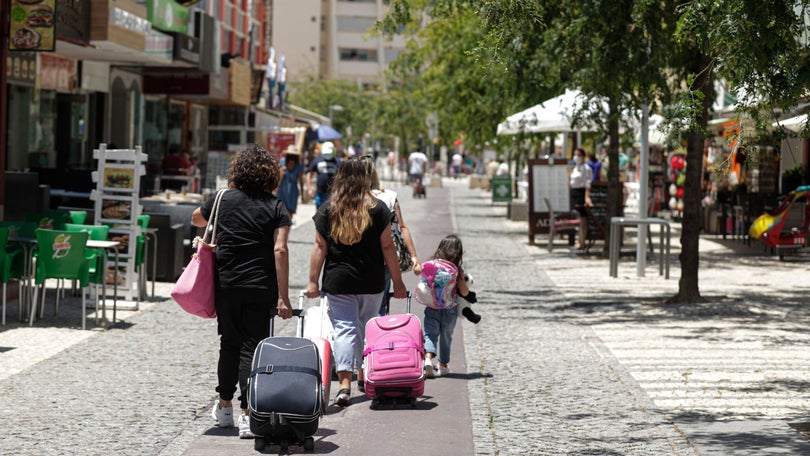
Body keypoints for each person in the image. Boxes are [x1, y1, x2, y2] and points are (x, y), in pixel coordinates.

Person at [191, 143, 293, 439]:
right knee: (253, 348)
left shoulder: (223, 199)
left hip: (228, 283)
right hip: (261, 286)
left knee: (229, 344)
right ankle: (249, 415)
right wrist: (283, 296)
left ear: (237, 171)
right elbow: (280, 249)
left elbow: (196, 218)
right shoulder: (276, 206)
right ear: (269, 175)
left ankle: (224, 407)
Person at [305, 157, 408, 407]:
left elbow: (320, 247)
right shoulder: (378, 209)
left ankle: (344, 383)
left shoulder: (329, 209)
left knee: (345, 330)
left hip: (339, 281)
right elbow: (387, 247)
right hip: (371, 281)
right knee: (366, 328)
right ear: (365, 179)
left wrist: (312, 282)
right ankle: (364, 373)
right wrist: (398, 282)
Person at [359, 154, 422, 316]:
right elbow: (402, 227)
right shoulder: (389, 196)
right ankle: (377, 335)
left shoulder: (352, 197)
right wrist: (414, 257)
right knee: (380, 302)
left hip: (357, 256)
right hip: (384, 257)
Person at [422, 234, 477, 379]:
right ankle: (443, 365)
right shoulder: (457, 270)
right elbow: (464, 292)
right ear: (459, 254)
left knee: (430, 334)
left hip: (432, 307)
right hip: (449, 309)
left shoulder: (431, 264)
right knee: (446, 337)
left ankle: (428, 358)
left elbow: (424, 283)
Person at [570, 147, 593, 250]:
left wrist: (586, 197)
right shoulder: (575, 168)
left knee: (582, 219)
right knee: (576, 219)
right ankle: (577, 240)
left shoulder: (586, 168)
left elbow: (587, 184)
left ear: (583, 156)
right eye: (575, 155)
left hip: (581, 193)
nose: (576, 157)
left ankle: (581, 240)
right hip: (573, 193)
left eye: (578, 155)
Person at [306, 141, 340, 208]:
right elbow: (309, 174)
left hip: (333, 194)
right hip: (320, 193)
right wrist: (309, 188)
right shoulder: (317, 161)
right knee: (319, 214)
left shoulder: (338, 162)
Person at [277, 144, 306, 222]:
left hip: (293, 191)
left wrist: (303, 195)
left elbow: (301, 181)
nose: (291, 156)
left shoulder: (298, 166)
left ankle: (286, 232)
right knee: (280, 212)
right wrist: (281, 172)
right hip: (282, 190)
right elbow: (278, 179)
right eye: (290, 155)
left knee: (290, 213)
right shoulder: (282, 162)